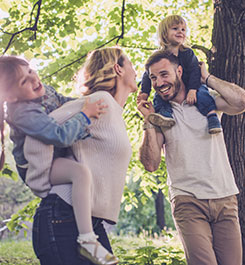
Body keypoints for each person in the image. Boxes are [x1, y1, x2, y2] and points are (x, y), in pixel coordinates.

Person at [22, 47, 137, 265]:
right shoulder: (100, 102)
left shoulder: (113, 111)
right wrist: (41, 176)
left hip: (88, 223)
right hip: (62, 216)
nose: (135, 70)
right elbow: (39, 133)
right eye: (130, 64)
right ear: (117, 68)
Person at [0, 56, 118, 265]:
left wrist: (89, 103)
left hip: (55, 157)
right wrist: (85, 116)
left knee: (83, 171)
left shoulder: (45, 90)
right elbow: (59, 135)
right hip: (38, 167)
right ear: (10, 96)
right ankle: (87, 241)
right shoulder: (23, 114)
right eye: (24, 81)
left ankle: (90, 237)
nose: (34, 79)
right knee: (80, 173)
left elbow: (65, 103)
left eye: (30, 71)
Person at [137, 50, 245, 265]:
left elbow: (241, 102)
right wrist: (148, 121)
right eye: (153, 78)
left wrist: (207, 78)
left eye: (164, 74)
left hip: (225, 198)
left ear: (179, 71)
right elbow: (150, 164)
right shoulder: (160, 116)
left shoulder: (206, 101)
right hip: (188, 200)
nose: (159, 82)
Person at [138, 15, 222, 134]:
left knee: (203, 93)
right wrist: (144, 92)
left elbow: (194, 70)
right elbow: (148, 75)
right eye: (175, 28)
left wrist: (192, 89)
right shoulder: (160, 57)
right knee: (158, 97)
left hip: (191, 84)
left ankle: (211, 115)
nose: (180, 32)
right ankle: (165, 115)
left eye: (183, 30)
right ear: (164, 33)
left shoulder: (187, 53)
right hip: (171, 88)